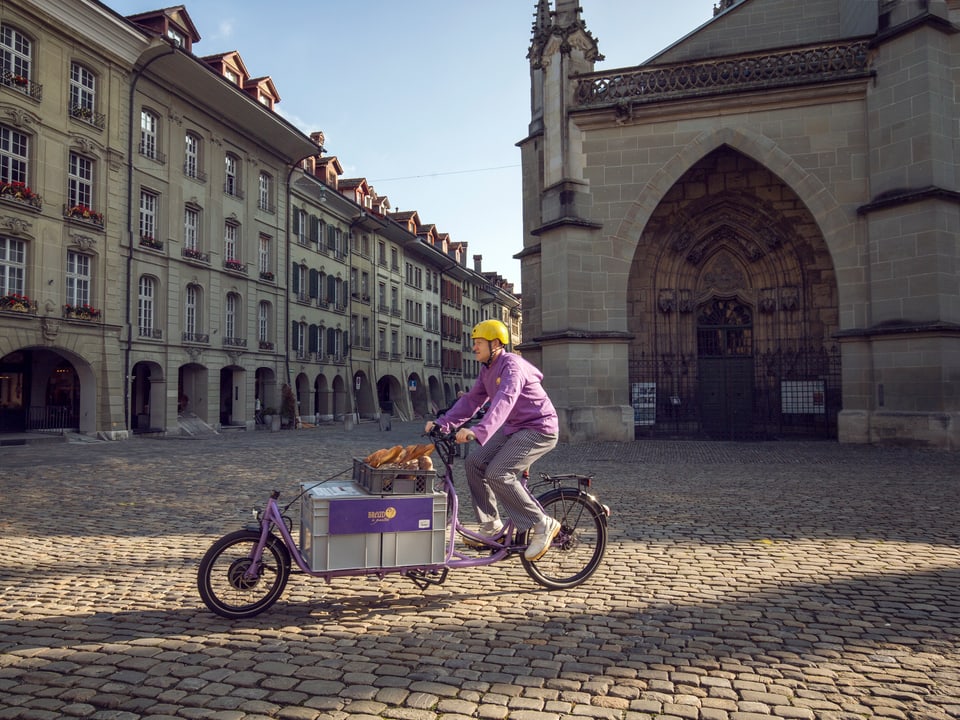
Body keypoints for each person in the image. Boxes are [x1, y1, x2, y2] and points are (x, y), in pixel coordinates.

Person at [424, 319, 561, 561]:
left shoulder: (512, 366)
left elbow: (505, 400)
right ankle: (491, 527)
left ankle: (542, 524)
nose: (474, 348)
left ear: (495, 344)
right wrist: (443, 423)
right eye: (474, 343)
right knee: (474, 462)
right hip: (514, 427)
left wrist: (478, 431)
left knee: (498, 473)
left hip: (539, 427)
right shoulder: (488, 369)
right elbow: (472, 401)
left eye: (478, 343)